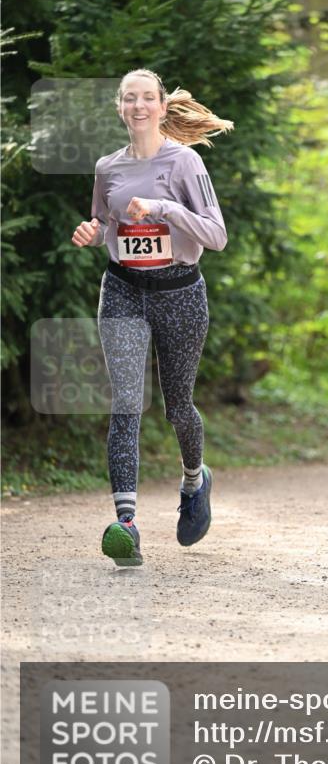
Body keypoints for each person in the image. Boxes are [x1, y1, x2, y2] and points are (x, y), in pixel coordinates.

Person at [72, 69, 233, 566]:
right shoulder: (108, 167)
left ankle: (193, 479)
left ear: (162, 107)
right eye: (129, 99)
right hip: (122, 289)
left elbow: (216, 234)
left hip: (179, 292)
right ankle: (126, 525)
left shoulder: (184, 163)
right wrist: (91, 232)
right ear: (120, 108)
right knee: (124, 402)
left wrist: (163, 206)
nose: (138, 106)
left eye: (147, 98)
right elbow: (106, 224)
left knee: (178, 405)